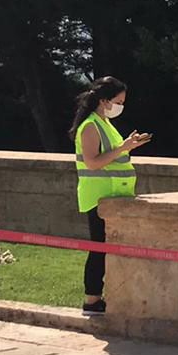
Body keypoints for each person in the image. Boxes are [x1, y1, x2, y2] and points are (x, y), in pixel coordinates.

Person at [72, 77, 150, 316]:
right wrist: (123, 148)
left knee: (105, 247)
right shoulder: (90, 126)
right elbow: (93, 163)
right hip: (99, 198)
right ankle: (92, 299)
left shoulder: (104, 123)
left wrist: (128, 145)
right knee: (99, 247)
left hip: (113, 196)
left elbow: (112, 156)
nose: (121, 106)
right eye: (118, 101)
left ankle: (101, 297)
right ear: (104, 101)